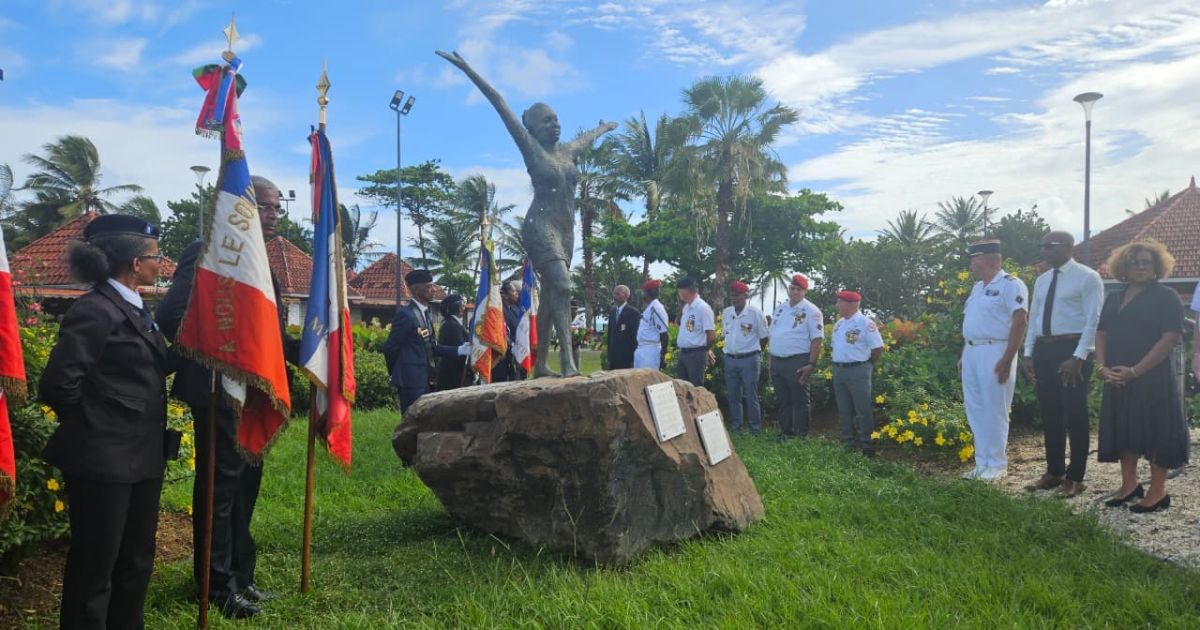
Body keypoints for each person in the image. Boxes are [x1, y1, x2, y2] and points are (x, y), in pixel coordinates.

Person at [156, 175, 298, 619]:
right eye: (266, 206)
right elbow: (173, 314)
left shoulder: (261, 264)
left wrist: (311, 357)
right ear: (242, 206)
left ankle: (241, 576)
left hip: (253, 393)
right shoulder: (209, 250)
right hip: (218, 389)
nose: (274, 215)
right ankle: (215, 587)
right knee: (220, 490)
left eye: (278, 208)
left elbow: (266, 335)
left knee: (245, 489)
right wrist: (227, 356)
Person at [437, 50, 617, 378]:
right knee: (562, 285)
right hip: (539, 226)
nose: (555, 124)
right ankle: (566, 362)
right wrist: (469, 69)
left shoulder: (567, 151)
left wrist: (602, 128)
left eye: (557, 118)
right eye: (547, 120)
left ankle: (542, 363)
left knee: (552, 292)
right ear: (531, 127)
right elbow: (499, 103)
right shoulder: (530, 147)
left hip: (566, 229)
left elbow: (586, 139)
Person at [40, 215, 169, 630]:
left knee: (135, 562)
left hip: (143, 458)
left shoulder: (136, 307)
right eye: (155, 256)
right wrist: (98, 428)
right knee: (95, 568)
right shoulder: (95, 309)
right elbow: (59, 384)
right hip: (103, 462)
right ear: (134, 262)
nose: (159, 263)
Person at [1095, 241, 1188, 513]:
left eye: (1145, 262)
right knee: (1125, 431)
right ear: (1123, 267)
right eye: (1133, 263)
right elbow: (1101, 333)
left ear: (1156, 265)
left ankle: (1158, 492)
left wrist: (1136, 371)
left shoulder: (1166, 296)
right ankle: (1129, 485)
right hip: (1117, 377)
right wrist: (1102, 367)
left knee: (1155, 433)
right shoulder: (1114, 297)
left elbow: (1170, 338)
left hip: (1151, 379)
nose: (1139, 267)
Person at [1020, 231, 1104, 498]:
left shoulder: (1087, 277)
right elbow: (1034, 317)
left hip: (1072, 349)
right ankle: (1054, 471)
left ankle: (1076, 476)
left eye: (1050, 246)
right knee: (1050, 413)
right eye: (1041, 245)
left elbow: (1094, 320)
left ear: (1068, 247)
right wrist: (1029, 354)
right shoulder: (1043, 280)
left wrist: (1079, 357)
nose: (1044, 250)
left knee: (1075, 415)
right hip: (1045, 348)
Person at [959, 240, 1028, 481]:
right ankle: (982, 463)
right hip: (972, 351)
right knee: (976, 409)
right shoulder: (977, 288)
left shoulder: (1011, 285)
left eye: (973, 260)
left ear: (985, 260)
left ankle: (997, 465)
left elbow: (1019, 321)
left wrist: (1008, 359)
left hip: (996, 351)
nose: (970, 266)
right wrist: (963, 356)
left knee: (995, 408)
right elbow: (972, 324)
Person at [382, 269, 471, 412]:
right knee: (411, 422)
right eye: (429, 286)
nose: (434, 289)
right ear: (416, 289)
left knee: (423, 421)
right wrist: (397, 372)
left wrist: (460, 350)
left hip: (426, 377)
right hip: (410, 380)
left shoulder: (426, 314)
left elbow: (431, 347)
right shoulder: (406, 315)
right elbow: (391, 347)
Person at [769, 274, 824, 439]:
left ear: (804, 291)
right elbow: (774, 335)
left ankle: (802, 436)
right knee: (783, 400)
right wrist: (771, 362)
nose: (794, 292)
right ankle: (786, 432)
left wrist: (811, 364)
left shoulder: (812, 311)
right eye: (792, 288)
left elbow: (817, 339)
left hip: (797, 361)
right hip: (777, 361)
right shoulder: (780, 309)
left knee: (799, 400)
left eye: (798, 289)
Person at [830, 290, 884, 457]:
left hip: (858, 370)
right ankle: (849, 443)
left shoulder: (865, 323)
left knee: (862, 409)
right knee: (844, 409)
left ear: (850, 304)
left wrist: (867, 365)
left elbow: (878, 347)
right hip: (840, 370)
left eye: (840, 302)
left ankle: (867, 446)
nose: (837, 305)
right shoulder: (839, 324)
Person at [721, 281, 769, 433]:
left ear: (745, 296)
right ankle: (736, 428)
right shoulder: (727, 313)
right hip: (730, 359)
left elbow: (764, 337)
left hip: (749, 360)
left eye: (737, 295)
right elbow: (725, 335)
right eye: (732, 295)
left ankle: (755, 429)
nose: (733, 298)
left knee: (751, 395)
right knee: (733, 396)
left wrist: (754, 350)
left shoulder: (755, 313)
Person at [674, 276, 716, 387]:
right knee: (682, 389)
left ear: (686, 290)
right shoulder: (687, 307)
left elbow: (711, 335)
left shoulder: (702, 308)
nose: (679, 293)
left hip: (695, 354)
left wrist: (705, 350)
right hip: (684, 353)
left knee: (695, 389)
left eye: (680, 290)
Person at [436, 295, 471, 391]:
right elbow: (459, 350)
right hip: (453, 376)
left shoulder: (451, 323)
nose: (464, 308)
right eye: (462, 305)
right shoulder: (452, 326)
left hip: (454, 374)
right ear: (457, 308)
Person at [634, 280, 670, 369]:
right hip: (642, 348)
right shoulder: (649, 308)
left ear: (648, 293)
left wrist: (663, 356)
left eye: (643, 292)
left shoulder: (656, 308)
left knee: (648, 381)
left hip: (650, 350)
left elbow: (664, 334)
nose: (642, 295)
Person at [491, 281, 521, 382]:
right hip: (505, 357)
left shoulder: (515, 309)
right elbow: (502, 331)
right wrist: (512, 345)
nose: (516, 293)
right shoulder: (500, 311)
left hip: (517, 355)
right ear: (506, 295)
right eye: (513, 291)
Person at [607, 284, 640, 370]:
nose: (614, 296)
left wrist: (633, 359)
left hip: (626, 358)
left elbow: (635, 337)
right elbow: (610, 334)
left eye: (617, 294)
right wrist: (609, 357)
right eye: (614, 294)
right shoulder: (612, 311)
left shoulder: (633, 312)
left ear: (625, 296)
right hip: (613, 358)